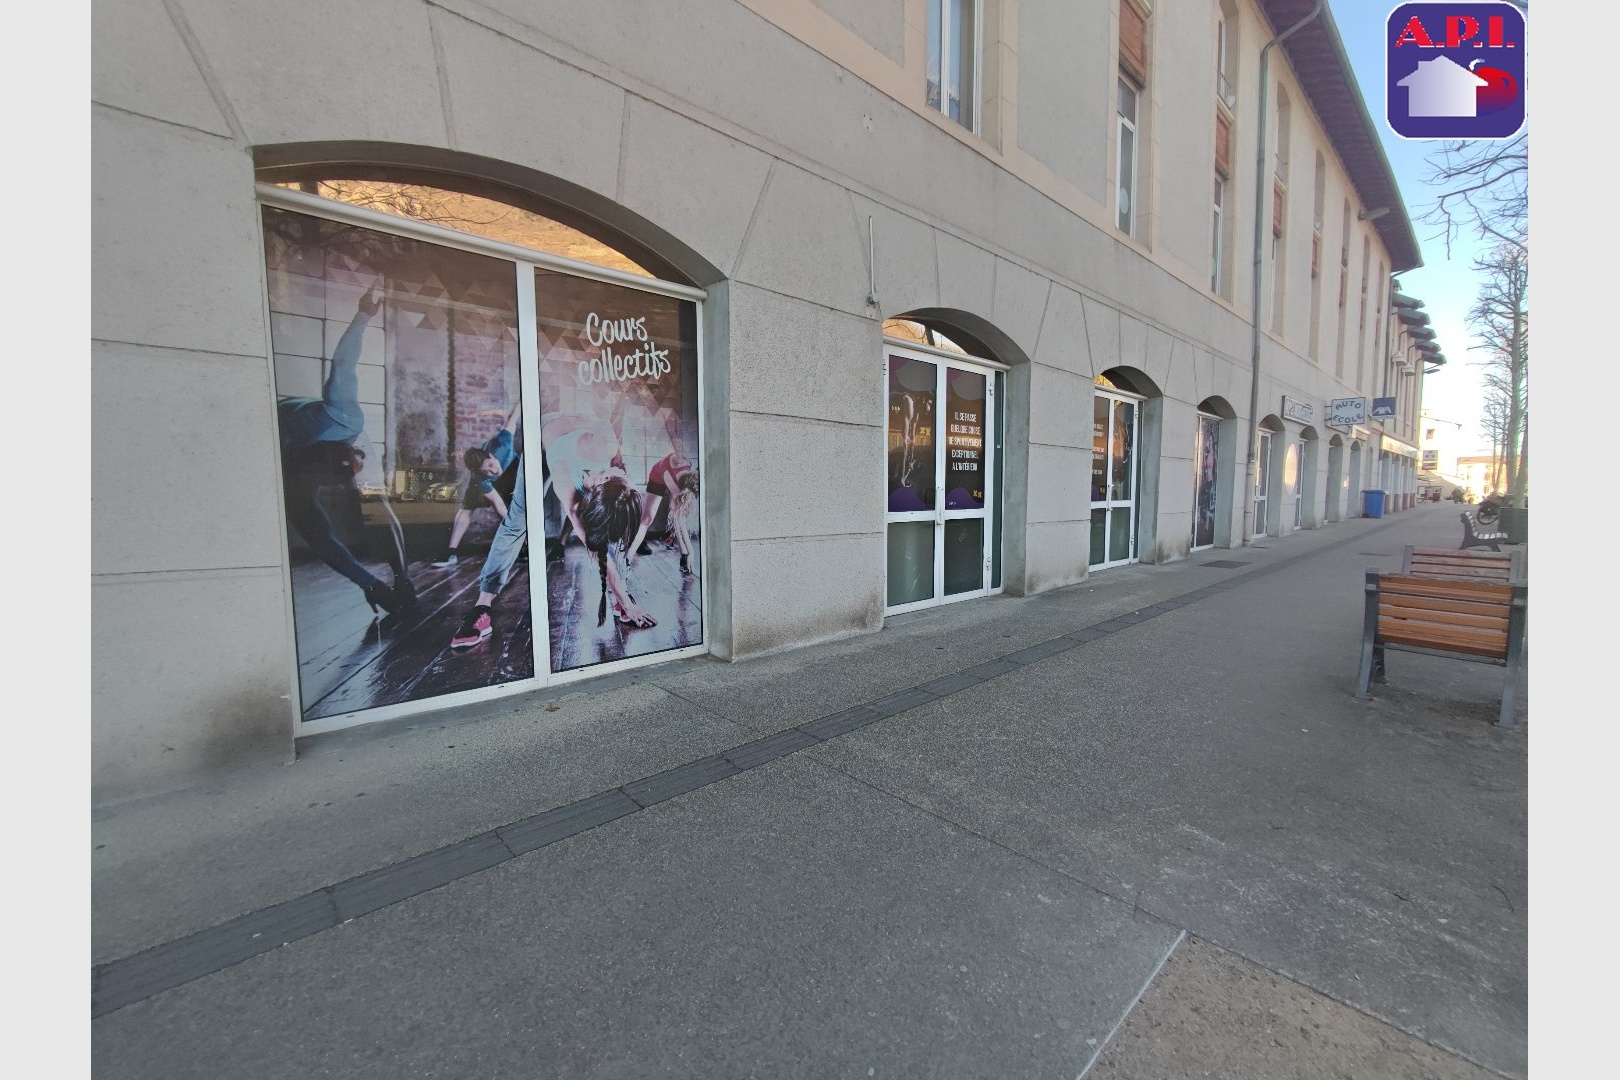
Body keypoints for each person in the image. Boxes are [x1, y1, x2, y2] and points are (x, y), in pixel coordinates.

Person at [449, 408, 655, 650]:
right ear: (601, 483)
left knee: (610, 525)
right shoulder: (567, 482)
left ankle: (621, 594)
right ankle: (482, 607)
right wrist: (628, 603)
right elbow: (595, 549)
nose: (622, 473)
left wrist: (623, 595)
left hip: (570, 435)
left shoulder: (611, 455)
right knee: (517, 521)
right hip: (542, 439)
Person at [278, 286, 416, 616]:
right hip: (297, 440)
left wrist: (400, 579)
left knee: (378, 506)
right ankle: (379, 586)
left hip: (334, 440)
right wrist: (370, 584)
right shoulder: (333, 417)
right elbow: (342, 363)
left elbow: (344, 362)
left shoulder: (345, 423)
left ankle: (403, 578)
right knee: (315, 530)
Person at [431, 401, 522, 568]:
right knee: (467, 508)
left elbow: (513, 416)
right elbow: (499, 506)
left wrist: (523, 400)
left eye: (491, 465)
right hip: (491, 485)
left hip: (512, 470)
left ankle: (523, 546)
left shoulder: (503, 442)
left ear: (491, 456)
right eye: (488, 471)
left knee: (518, 505)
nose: (494, 470)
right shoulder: (480, 479)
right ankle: (451, 552)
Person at [626, 445, 700, 577]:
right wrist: (692, 552)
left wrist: (688, 552)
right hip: (657, 477)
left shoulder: (689, 469)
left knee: (678, 517)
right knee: (646, 520)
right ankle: (626, 560)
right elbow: (679, 520)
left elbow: (679, 518)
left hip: (676, 479)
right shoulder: (672, 481)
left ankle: (684, 556)